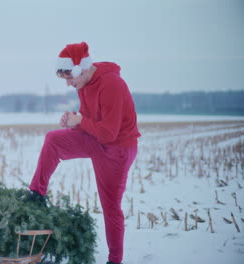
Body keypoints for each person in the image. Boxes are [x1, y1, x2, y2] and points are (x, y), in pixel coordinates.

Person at [27, 42, 141, 264]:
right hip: (96, 139)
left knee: (110, 207)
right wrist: (74, 121)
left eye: (70, 78)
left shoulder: (112, 84)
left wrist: (80, 121)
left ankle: (115, 260)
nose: (69, 84)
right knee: (53, 140)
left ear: (82, 68)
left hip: (118, 148)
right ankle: (36, 194)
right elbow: (91, 119)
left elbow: (109, 133)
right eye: (66, 79)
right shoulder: (84, 83)